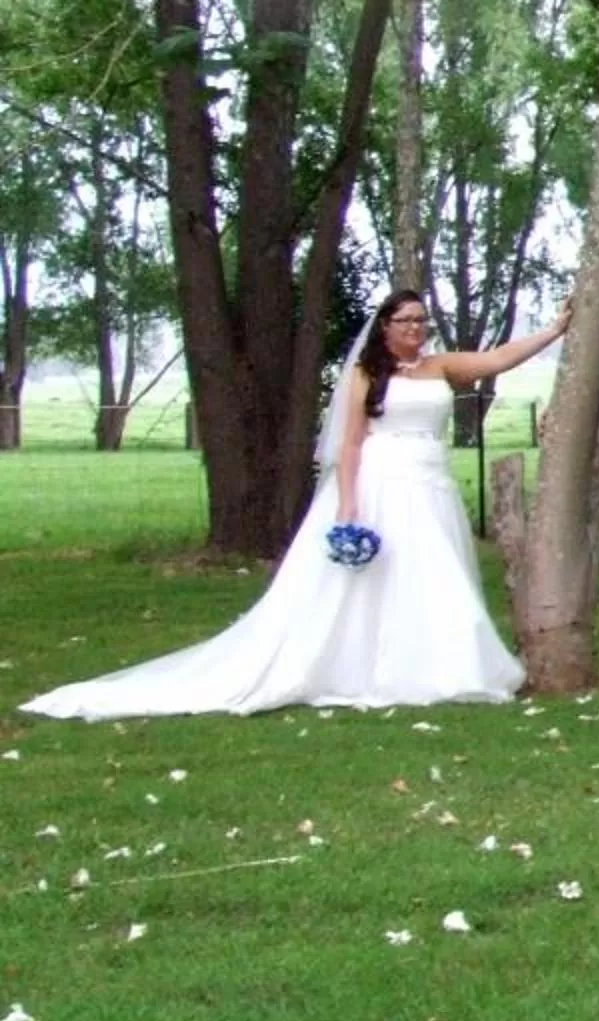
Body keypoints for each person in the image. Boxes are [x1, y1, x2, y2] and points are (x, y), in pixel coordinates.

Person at [22, 291, 568, 718]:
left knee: (435, 573)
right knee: (379, 576)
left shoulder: (441, 367)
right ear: (385, 327)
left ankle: (445, 663)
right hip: (381, 480)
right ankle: (371, 665)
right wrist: (350, 505)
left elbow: (498, 357)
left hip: (429, 480)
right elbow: (352, 442)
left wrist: (555, 329)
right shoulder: (365, 376)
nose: (417, 330)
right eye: (406, 322)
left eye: (422, 321)